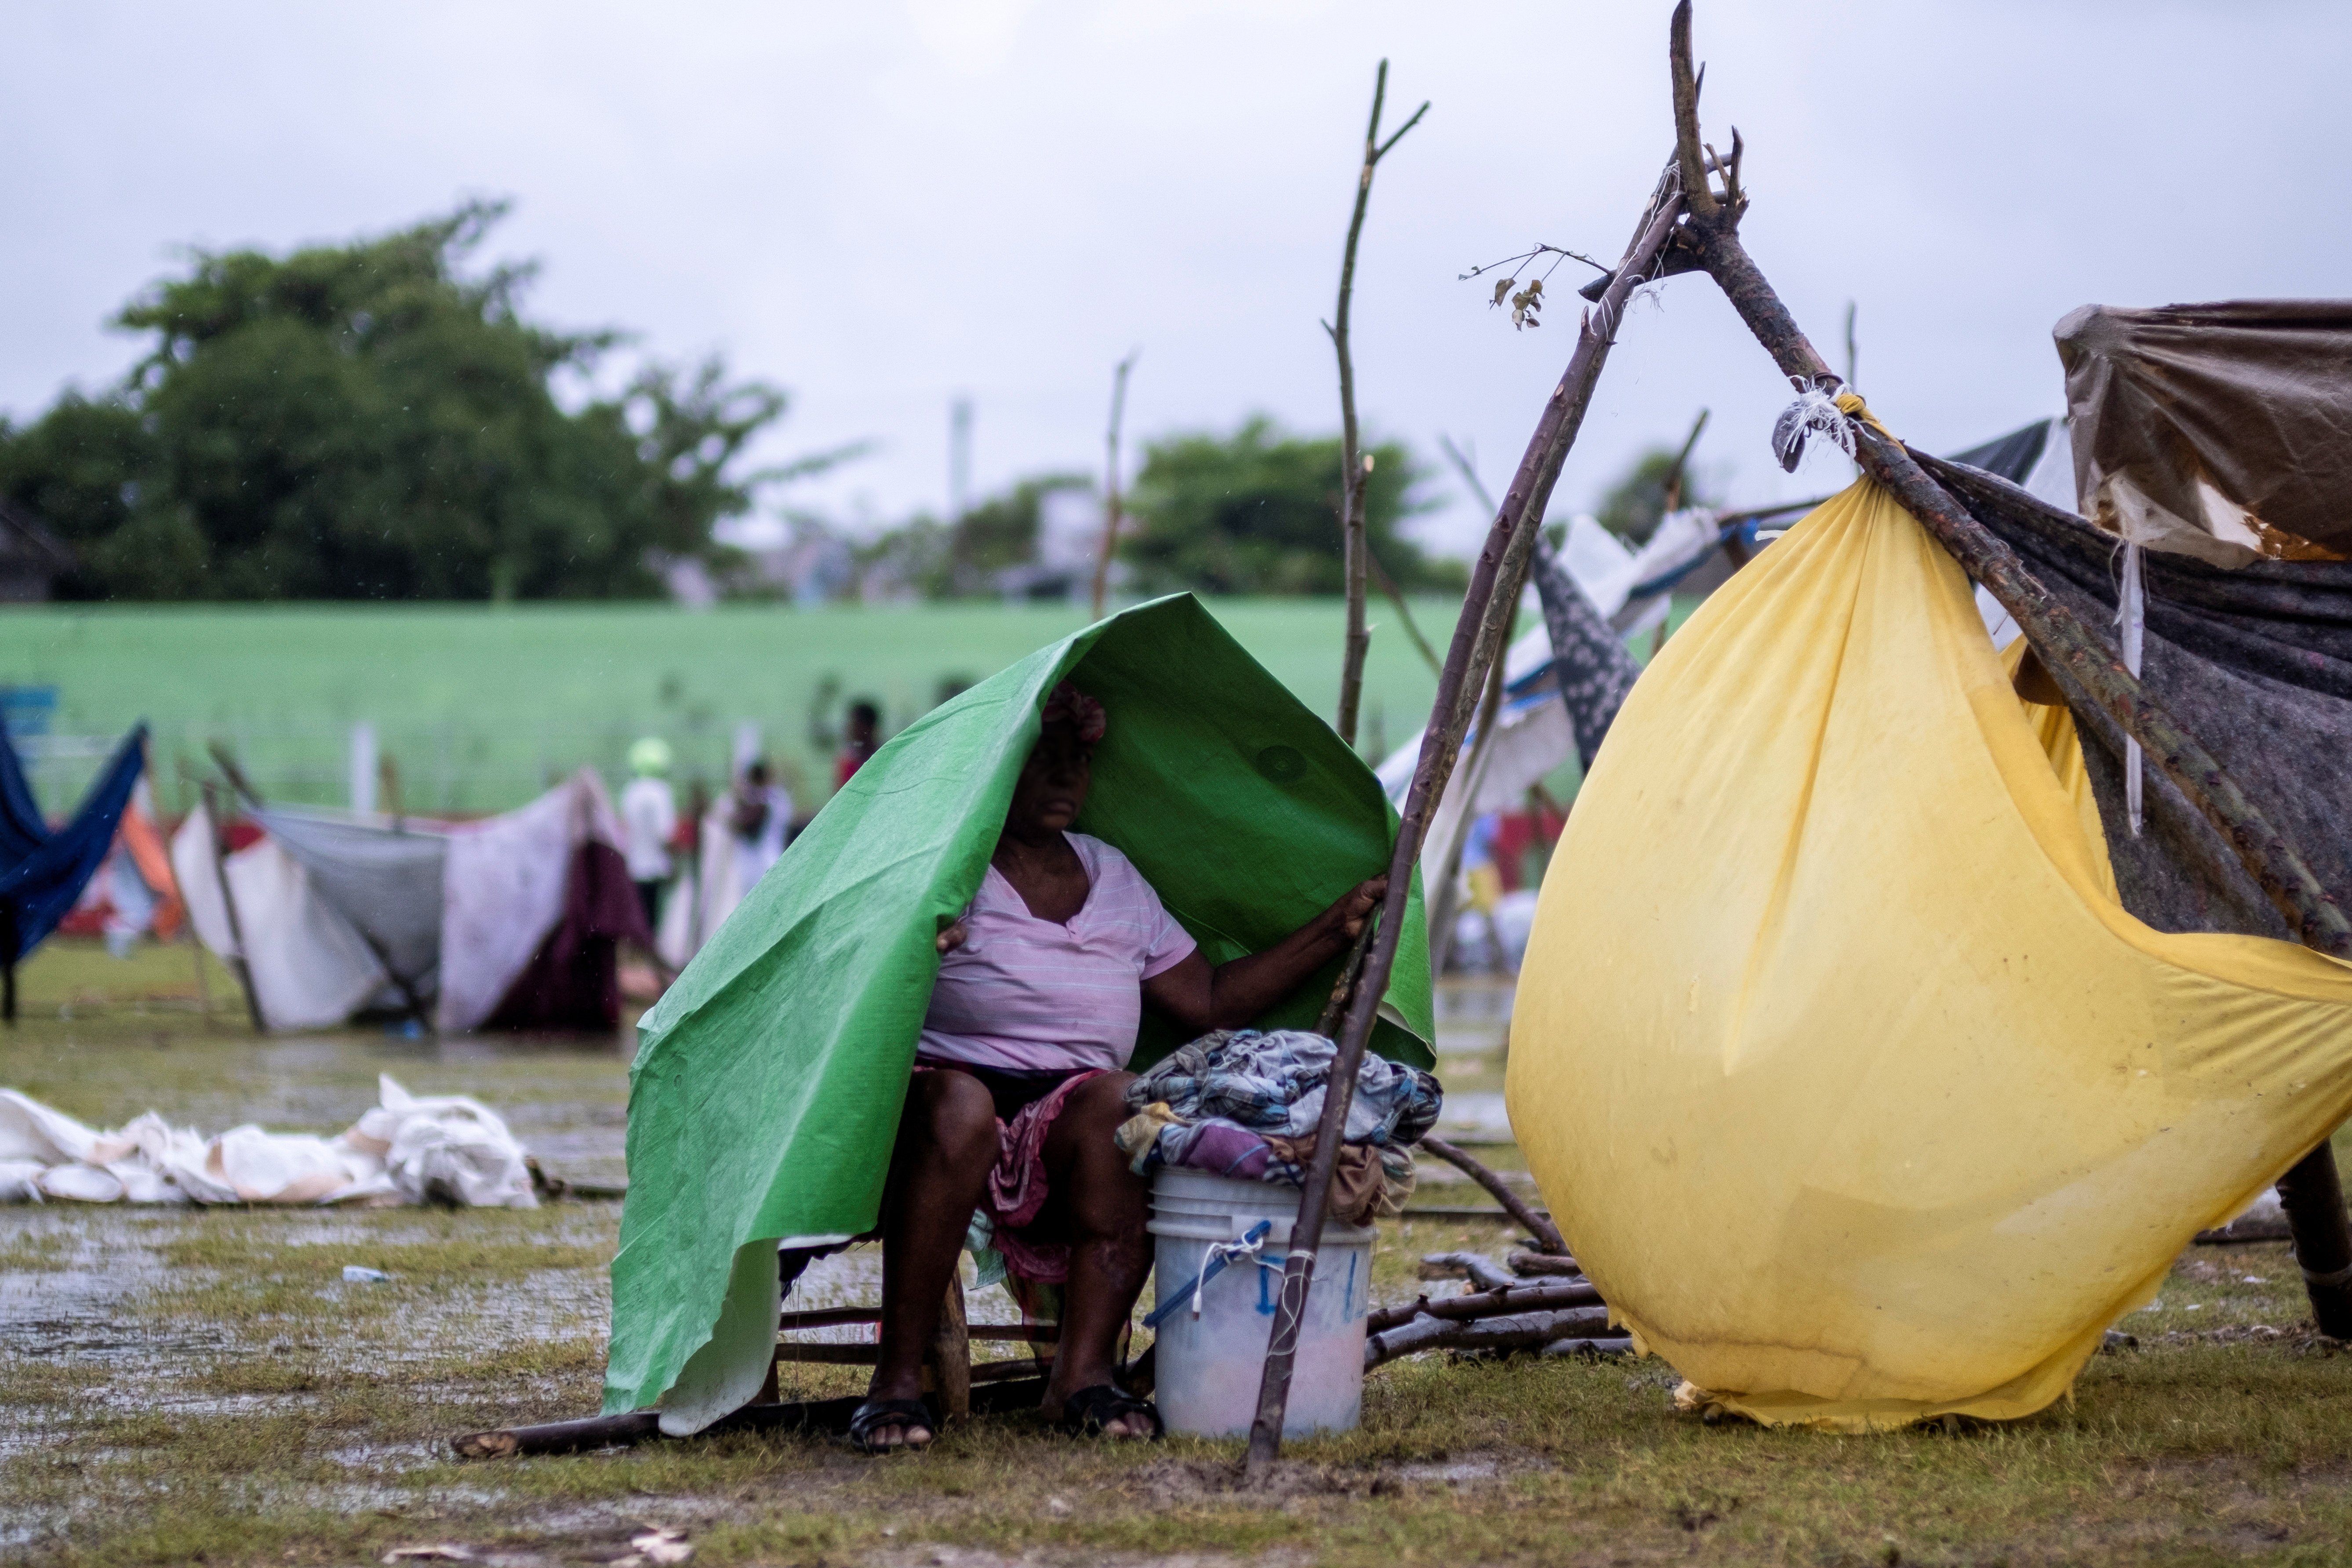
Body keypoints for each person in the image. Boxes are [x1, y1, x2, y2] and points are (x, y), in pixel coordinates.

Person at [849, 680, 1385, 1453]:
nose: (1067, 776)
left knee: (1130, 1106)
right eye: (1044, 760)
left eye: (1079, 760)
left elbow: (1206, 998)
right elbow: (859, 981)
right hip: (937, 1101)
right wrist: (912, 945)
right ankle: (895, 1383)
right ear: (996, 771)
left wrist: (1337, 926)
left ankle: (1083, 1377)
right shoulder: (949, 868)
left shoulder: (1113, 874)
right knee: (962, 1107)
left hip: (1066, 1113)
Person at [620, 738, 679, 932]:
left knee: (637, 923)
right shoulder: (660, 792)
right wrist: (674, 863)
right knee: (654, 923)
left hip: (633, 866)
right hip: (656, 868)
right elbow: (665, 834)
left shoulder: (630, 791)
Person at [729, 759, 792, 894]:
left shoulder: (765, 801)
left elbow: (742, 825)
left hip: (759, 864)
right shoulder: (780, 798)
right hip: (772, 857)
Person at [836, 699, 881, 787]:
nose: (850, 729)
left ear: (868, 727)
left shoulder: (882, 757)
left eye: (854, 724)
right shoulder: (848, 760)